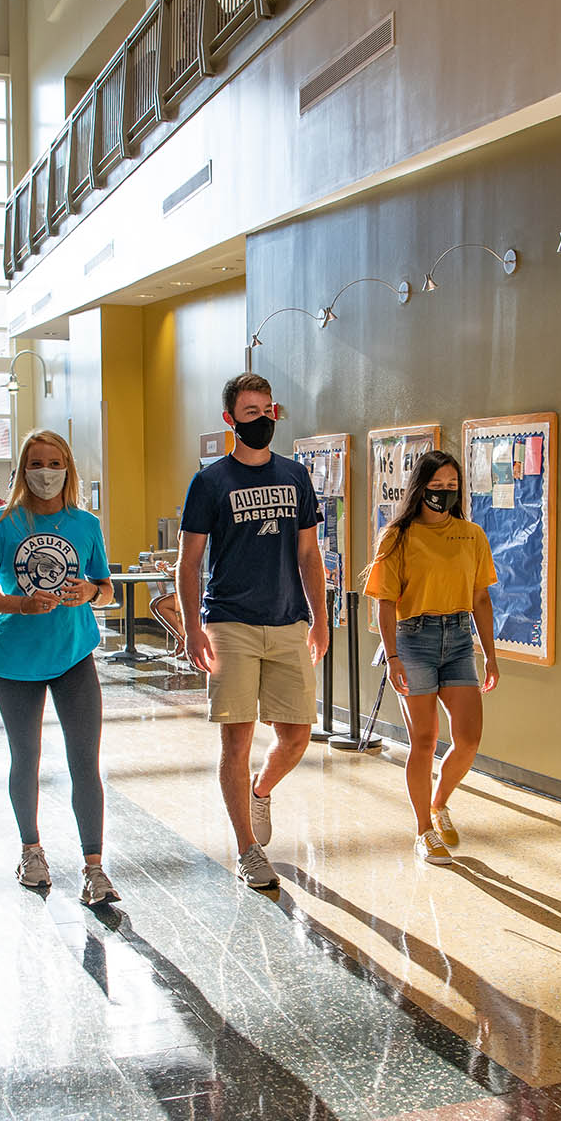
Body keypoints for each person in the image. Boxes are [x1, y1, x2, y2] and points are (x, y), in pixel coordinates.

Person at [177, 373, 330, 891]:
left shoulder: (296, 477)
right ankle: (247, 849)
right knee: (236, 740)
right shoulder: (210, 482)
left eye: (268, 410)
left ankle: (260, 791)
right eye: (250, 412)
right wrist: (194, 627)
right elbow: (188, 562)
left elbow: (309, 554)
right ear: (230, 420)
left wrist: (321, 618)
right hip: (230, 624)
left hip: (289, 620)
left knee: (296, 734)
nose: (262, 418)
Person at [0, 430, 120, 906]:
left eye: (54, 463)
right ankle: (31, 850)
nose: (45, 472)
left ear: (67, 468)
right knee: (25, 758)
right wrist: (19, 604)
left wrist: (91, 593)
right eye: (36, 463)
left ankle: (94, 867)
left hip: (74, 656)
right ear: (23, 468)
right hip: (16, 662)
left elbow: (106, 587)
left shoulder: (85, 524)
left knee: (83, 762)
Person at [363, 450, 500, 865]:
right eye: (436, 486)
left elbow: (481, 598)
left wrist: (491, 656)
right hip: (413, 640)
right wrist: (392, 657)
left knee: (469, 739)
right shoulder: (398, 536)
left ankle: (439, 803)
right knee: (423, 740)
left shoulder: (471, 535)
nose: (444, 493)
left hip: (458, 639)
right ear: (420, 488)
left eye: (451, 486)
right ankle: (423, 829)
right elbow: (385, 603)